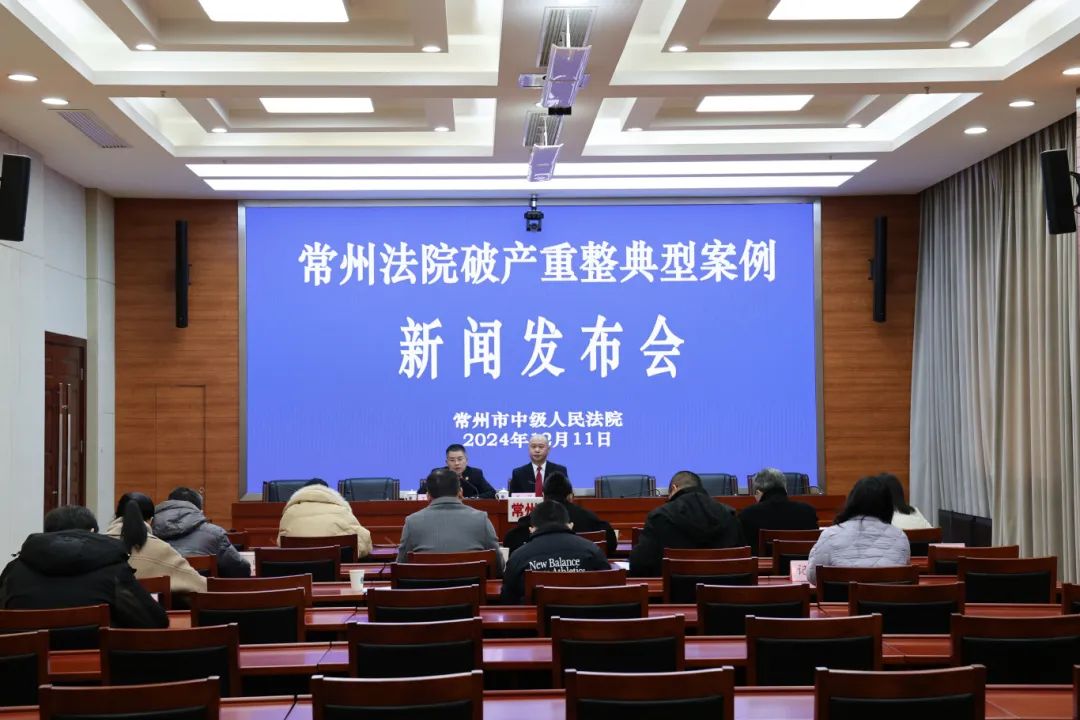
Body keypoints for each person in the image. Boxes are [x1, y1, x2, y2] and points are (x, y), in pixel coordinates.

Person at [0, 506, 168, 628]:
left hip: (25, 664)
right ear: (93, 531)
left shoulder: (15, 569)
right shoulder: (113, 568)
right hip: (99, 661)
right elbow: (155, 621)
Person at [629, 471, 744, 576]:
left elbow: (639, 565)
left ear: (674, 488)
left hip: (676, 590)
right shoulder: (730, 514)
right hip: (723, 589)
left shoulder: (659, 516)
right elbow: (743, 558)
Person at [397, 468, 504, 575]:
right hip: (472, 585)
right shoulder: (481, 519)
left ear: (428, 496)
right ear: (460, 492)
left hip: (425, 585)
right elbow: (498, 566)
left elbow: (401, 567)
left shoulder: (412, 522)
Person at [806, 475, 911, 584]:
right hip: (886, 595)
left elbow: (814, 577)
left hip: (842, 595)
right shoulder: (900, 537)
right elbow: (905, 579)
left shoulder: (830, 535)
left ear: (852, 501)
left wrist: (814, 551)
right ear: (888, 506)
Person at [500, 501, 610, 604]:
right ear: (570, 525)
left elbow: (507, 599)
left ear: (532, 529)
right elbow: (609, 589)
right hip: (586, 616)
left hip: (537, 617)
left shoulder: (519, 557)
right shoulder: (592, 550)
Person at [105, 492, 207, 596]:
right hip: (147, 606)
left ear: (115, 516)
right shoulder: (161, 549)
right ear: (151, 520)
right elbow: (200, 585)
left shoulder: (98, 545)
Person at [503, 472, 617, 555]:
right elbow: (611, 544)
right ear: (570, 496)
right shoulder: (589, 519)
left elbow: (509, 543)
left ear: (543, 496)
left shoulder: (528, 522)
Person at [152, 487, 251, 577]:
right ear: (200, 511)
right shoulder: (215, 533)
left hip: (158, 590)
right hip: (202, 590)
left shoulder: (148, 532)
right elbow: (240, 570)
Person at [277, 479, 373, 558]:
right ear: (329, 492)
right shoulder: (342, 511)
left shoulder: (289, 513)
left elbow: (280, 544)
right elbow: (364, 543)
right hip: (336, 573)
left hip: (297, 572)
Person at [738, 467, 819, 555]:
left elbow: (743, 550)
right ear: (785, 489)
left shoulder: (747, 514)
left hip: (764, 563)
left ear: (758, 493)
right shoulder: (808, 511)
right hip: (801, 563)